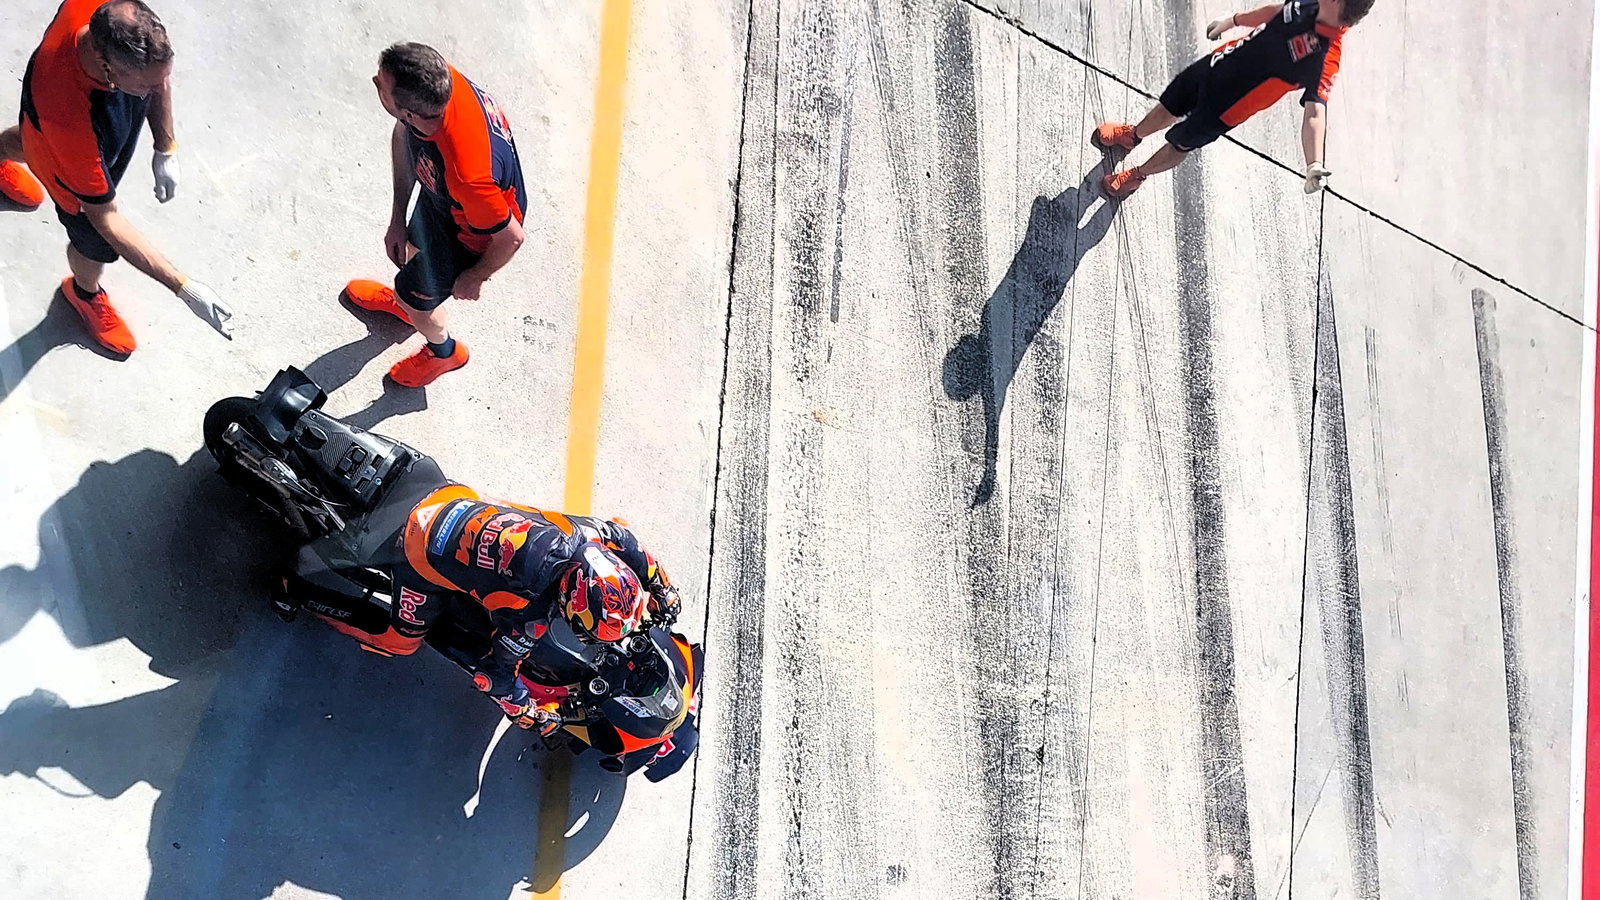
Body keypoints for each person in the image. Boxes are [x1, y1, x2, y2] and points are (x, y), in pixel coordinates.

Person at [295, 473, 682, 734]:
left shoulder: (590, 534)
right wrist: (526, 712)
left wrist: (661, 587)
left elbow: (628, 539)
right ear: (570, 601)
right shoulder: (530, 614)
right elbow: (492, 676)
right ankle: (297, 592)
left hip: (451, 498)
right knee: (398, 644)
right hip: (418, 550)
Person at [0, 0, 232, 355]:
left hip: (49, 117)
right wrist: (182, 286)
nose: (157, 90)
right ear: (108, 66)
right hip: (62, 133)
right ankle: (83, 293)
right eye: (145, 86)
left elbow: (156, 76)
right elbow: (105, 218)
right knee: (93, 241)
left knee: (32, 136)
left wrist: (165, 145)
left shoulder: (114, 25)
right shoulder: (71, 122)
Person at [342, 42, 527, 387]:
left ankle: (443, 351)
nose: (374, 82)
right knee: (411, 252)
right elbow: (405, 136)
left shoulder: (468, 176)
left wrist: (476, 276)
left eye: (380, 84)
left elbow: (512, 237)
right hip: (446, 200)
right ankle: (406, 302)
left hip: (472, 236)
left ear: (409, 110)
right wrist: (398, 216)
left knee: (423, 303)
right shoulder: (439, 83)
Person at [1092, 0, 1374, 200]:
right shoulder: (1311, 3)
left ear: (1337, 2)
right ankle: (1133, 135)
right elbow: (1276, 12)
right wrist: (1233, 21)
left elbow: (1315, 112)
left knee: (1179, 143)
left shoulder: (1326, 58)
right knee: (1170, 104)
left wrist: (1313, 163)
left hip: (1227, 107)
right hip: (1217, 65)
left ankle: (1138, 174)